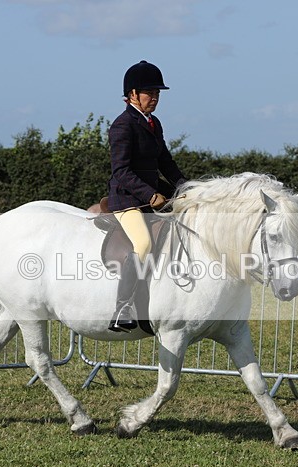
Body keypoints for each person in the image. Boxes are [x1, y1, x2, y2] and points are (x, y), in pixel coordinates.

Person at [107, 60, 187, 332]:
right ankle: (122, 308)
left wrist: (185, 189)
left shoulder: (154, 123)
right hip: (128, 199)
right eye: (149, 93)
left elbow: (165, 161)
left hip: (151, 194)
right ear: (132, 94)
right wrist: (150, 194)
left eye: (158, 93)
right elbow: (121, 171)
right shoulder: (122, 126)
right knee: (141, 243)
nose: (154, 98)